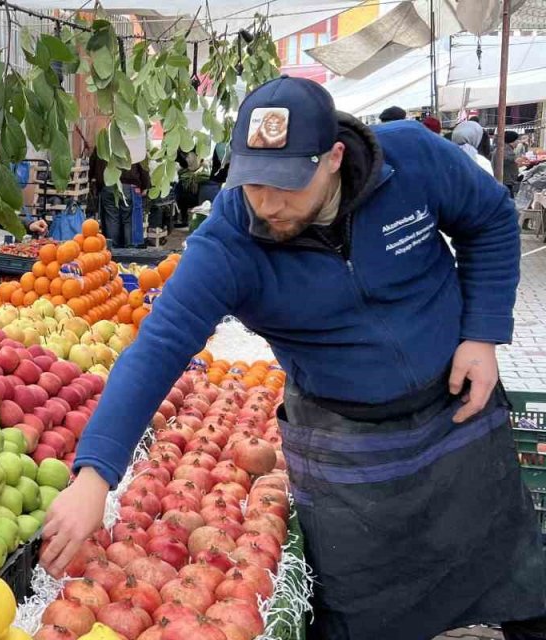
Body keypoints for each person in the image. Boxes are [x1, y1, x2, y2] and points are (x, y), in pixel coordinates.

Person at [39, 76, 546, 639]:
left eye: (286, 184)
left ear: (333, 158)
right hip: (347, 446)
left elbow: (492, 220)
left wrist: (482, 334)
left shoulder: (412, 158)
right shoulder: (230, 241)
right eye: (253, 182)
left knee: (514, 575)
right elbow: (159, 346)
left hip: (458, 414)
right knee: (364, 613)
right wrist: (94, 476)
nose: (269, 204)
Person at [89, 148, 151, 248]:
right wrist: (145, 184)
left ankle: (113, 250)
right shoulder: (134, 143)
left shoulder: (104, 140)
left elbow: (92, 163)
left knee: (111, 218)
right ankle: (130, 251)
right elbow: (143, 166)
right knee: (129, 219)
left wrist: (94, 182)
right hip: (129, 185)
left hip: (108, 184)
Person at [504, 131, 523, 195]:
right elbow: (511, 160)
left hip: (506, 181)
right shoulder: (506, 150)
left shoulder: (507, 149)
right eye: (517, 140)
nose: (518, 142)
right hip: (505, 182)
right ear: (512, 141)